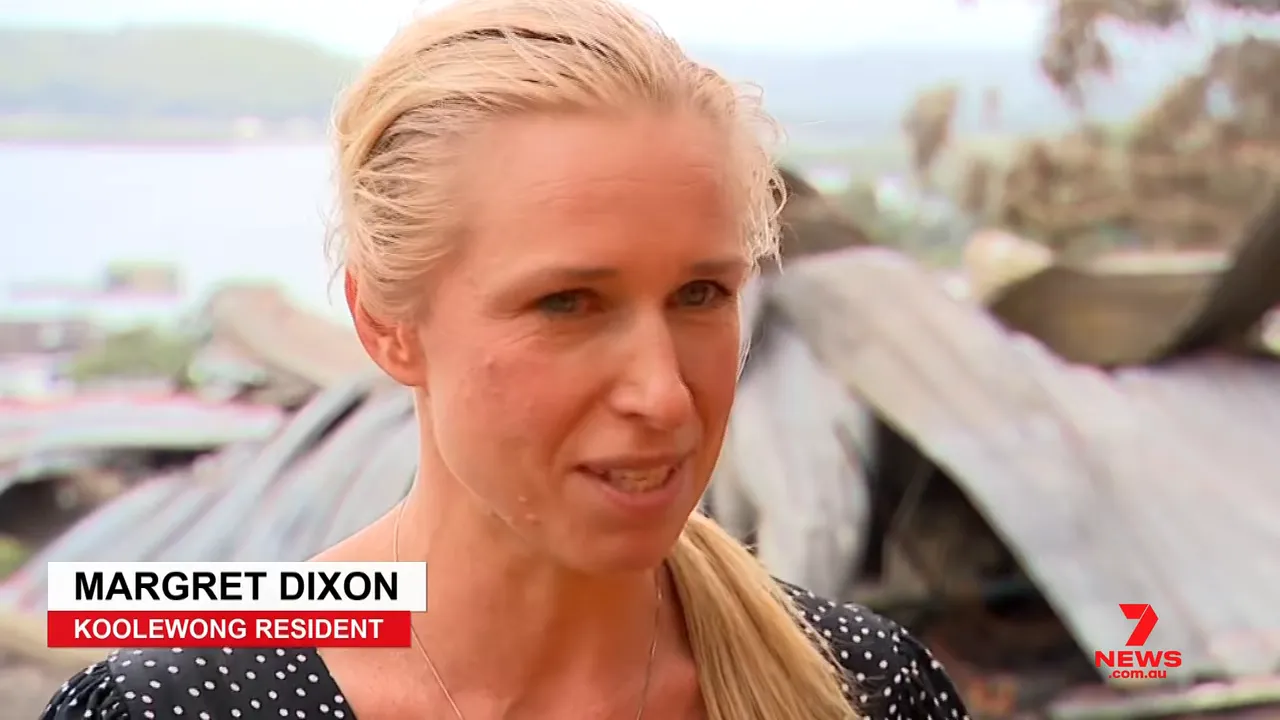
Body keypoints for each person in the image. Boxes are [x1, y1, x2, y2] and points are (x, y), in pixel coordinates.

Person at [42, 0, 973, 718]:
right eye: (567, 303)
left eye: (701, 295)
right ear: (387, 326)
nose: (661, 394)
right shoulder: (185, 708)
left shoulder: (865, 690)